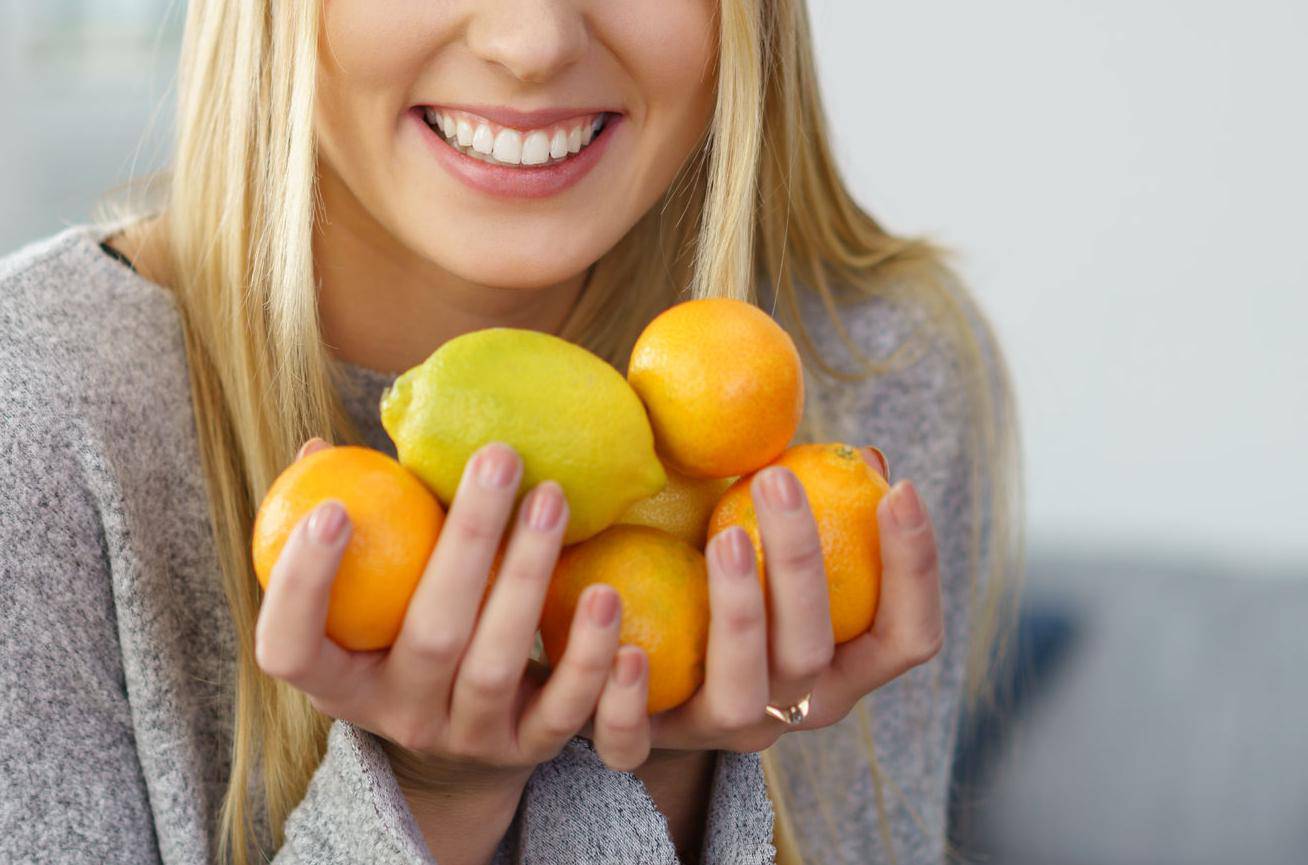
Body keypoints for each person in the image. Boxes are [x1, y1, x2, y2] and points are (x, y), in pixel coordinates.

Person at [0, 1, 1022, 863]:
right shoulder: (38, 410)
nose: (530, 43)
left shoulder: (871, 371)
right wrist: (432, 803)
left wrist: (676, 773)